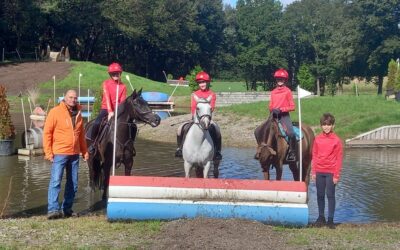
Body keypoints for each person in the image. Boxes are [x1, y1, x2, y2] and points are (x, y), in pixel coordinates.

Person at [43, 90, 89, 219]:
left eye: (75, 98)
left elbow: (81, 135)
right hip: (60, 153)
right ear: (65, 97)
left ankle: (67, 209)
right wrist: (48, 152)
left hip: (74, 154)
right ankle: (53, 210)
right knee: (56, 181)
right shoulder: (55, 112)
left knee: (73, 183)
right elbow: (47, 133)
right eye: (70, 97)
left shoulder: (79, 113)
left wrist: (84, 151)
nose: (73, 100)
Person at [175, 71, 222, 160]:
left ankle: (217, 151)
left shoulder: (212, 94)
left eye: (203, 82)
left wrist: (206, 116)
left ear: (207, 82)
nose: (202, 84)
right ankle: (179, 149)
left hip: (207, 117)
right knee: (180, 129)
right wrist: (194, 118)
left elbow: (211, 107)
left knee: (217, 130)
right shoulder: (195, 94)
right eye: (200, 83)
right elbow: (193, 107)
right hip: (196, 118)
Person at [311, 113, 343, 229]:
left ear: (333, 126)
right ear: (321, 126)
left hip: (331, 172)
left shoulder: (337, 140)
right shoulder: (317, 139)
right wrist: (313, 172)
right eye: (324, 125)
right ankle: (321, 217)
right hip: (319, 171)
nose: (326, 127)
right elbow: (314, 155)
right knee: (320, 195)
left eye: (329, 124)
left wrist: (336, 175)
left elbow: (339, 158)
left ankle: (330, 220)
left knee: (330, 195)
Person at [88, 62, 127, 153]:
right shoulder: (106, 83)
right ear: (110, 74)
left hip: (117, 110)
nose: (115, 75)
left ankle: (128, 144)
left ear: (120, 73)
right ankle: (93, 143)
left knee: (128, 125)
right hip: (106, 108)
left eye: (117, 73)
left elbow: (122, 101)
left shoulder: (123, 86)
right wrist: (110, 111)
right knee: (97, 123)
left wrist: (119, 110)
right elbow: (107, 97)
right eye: (113, 73)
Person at [269, 68, 296, 161]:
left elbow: (292, 106)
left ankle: (292, 153)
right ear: (276, 80)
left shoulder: (287, 91)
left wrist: (281, 109)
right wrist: (272, 109)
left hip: (284, 116)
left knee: (291, 133)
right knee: (260, 130)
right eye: (278, 79)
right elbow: (270, 105)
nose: (280, 80)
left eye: (282, 79)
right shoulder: (273, 92)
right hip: (273, 115)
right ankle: (261, 150)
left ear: (285, 80)